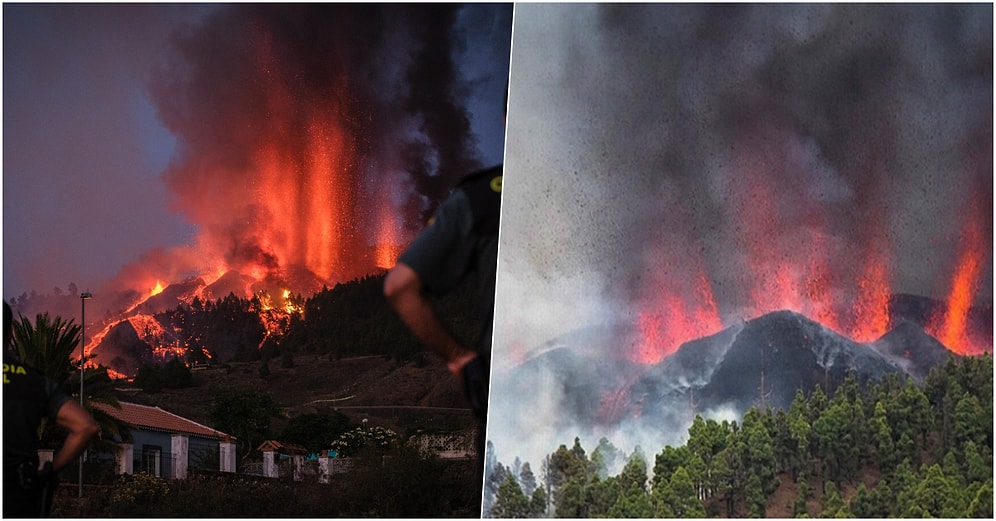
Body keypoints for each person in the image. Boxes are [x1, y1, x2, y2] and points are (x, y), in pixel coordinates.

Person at [3, 301, 100, 518]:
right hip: (17, 494)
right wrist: (51, 471)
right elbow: (86, 426)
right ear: (11, 334)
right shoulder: (32, 381)